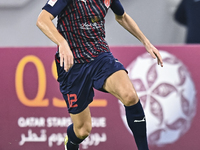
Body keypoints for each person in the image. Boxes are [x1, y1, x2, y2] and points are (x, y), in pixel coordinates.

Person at [36, 0, 163, 149]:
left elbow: (122, 17)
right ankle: (69, 143)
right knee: (82, 130)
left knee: (130, 96)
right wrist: (62, 43)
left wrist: (146, 42)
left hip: (99, 55)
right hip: (73, 65)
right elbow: (42, 19)